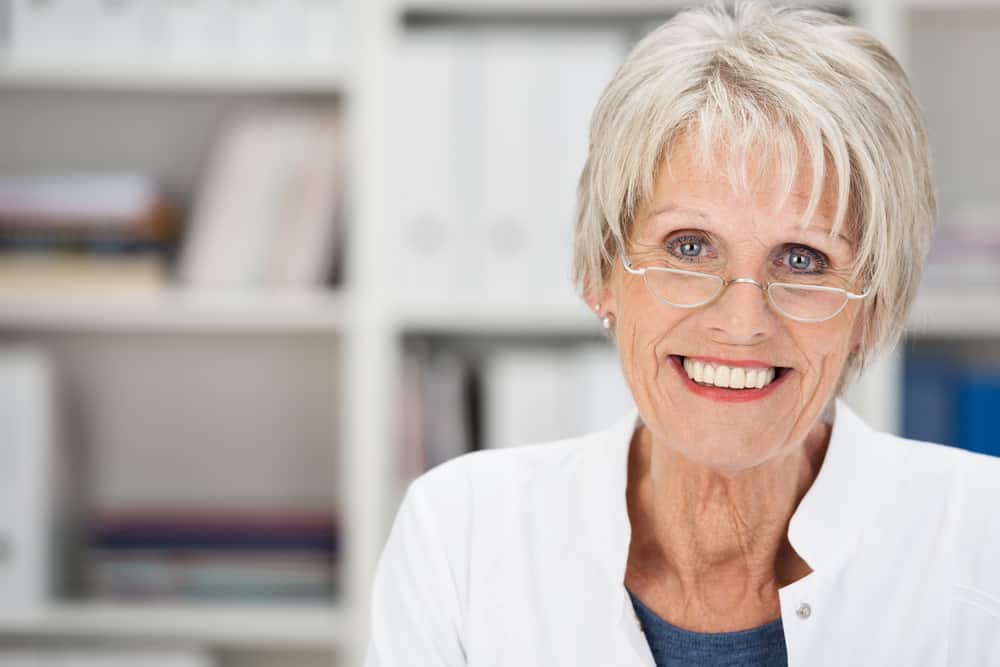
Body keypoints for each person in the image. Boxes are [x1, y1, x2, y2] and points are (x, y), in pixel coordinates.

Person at [365, 2, 1000, 665]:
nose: (741, 321)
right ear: (601, 270)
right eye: (691, 246)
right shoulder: (460, 535)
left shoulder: (984, 540)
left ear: (872, 306)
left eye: (803, 258)